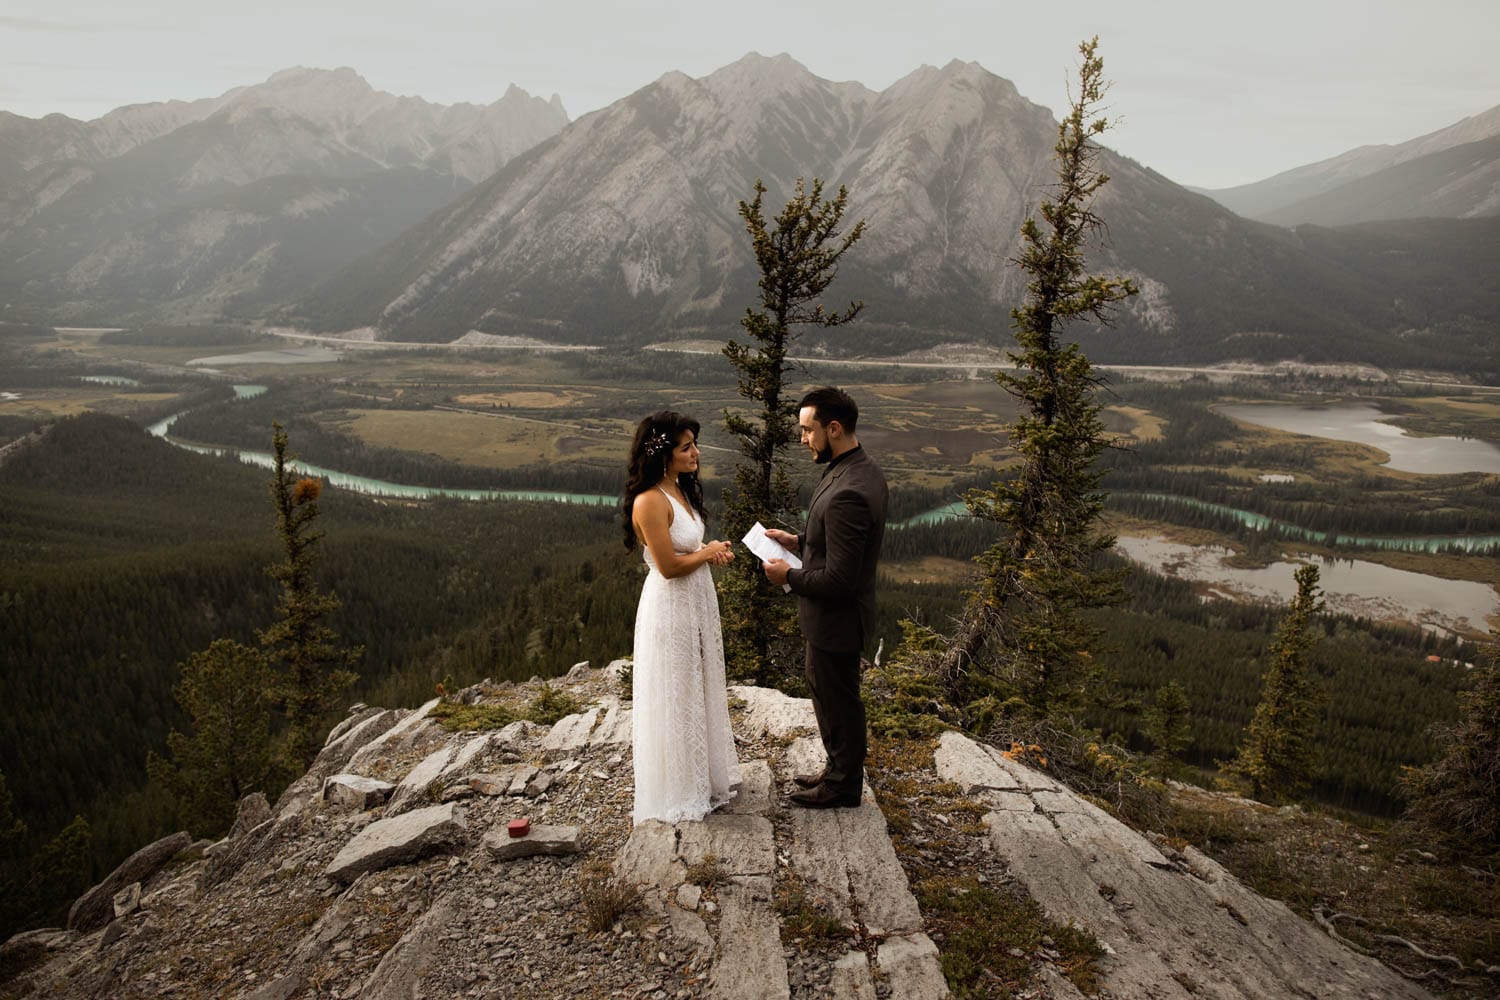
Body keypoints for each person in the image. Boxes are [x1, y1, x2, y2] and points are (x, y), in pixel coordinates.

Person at [762, 387, 888, 809]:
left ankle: (843, 785)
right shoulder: (856, 468)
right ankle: (839, 769)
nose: (803, 440)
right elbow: (839, 547)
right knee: (832, 696)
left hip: (837, 620)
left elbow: (839, 579)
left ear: (833, 428)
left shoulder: (849, 491)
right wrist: (797, 540)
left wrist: (788, 575)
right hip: (835, 620)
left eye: (807, 430)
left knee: (838, 700)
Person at [623, 410, 741, 825]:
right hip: (670, 606)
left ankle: (701, 776)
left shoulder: (677, 490)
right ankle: (677, 787)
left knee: (694, 687)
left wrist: (710, 548)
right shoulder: (649, 500)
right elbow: (669, 566)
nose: (696, 453)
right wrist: (705, 554)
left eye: (694, 445)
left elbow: (686, 548)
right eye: (687, 447)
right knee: (676, 691)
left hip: (691, 602)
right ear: (664, 454)